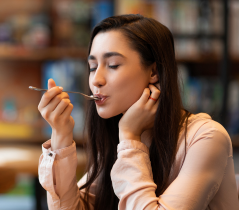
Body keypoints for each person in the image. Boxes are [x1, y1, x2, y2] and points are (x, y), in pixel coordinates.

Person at [37, 14, 239, 210]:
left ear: (154, 72)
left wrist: (129, 139)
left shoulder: (207, 138)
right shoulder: (115, 136)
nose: (96, 80)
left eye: (113, 65)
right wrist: (61, 135)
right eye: (92, 66)